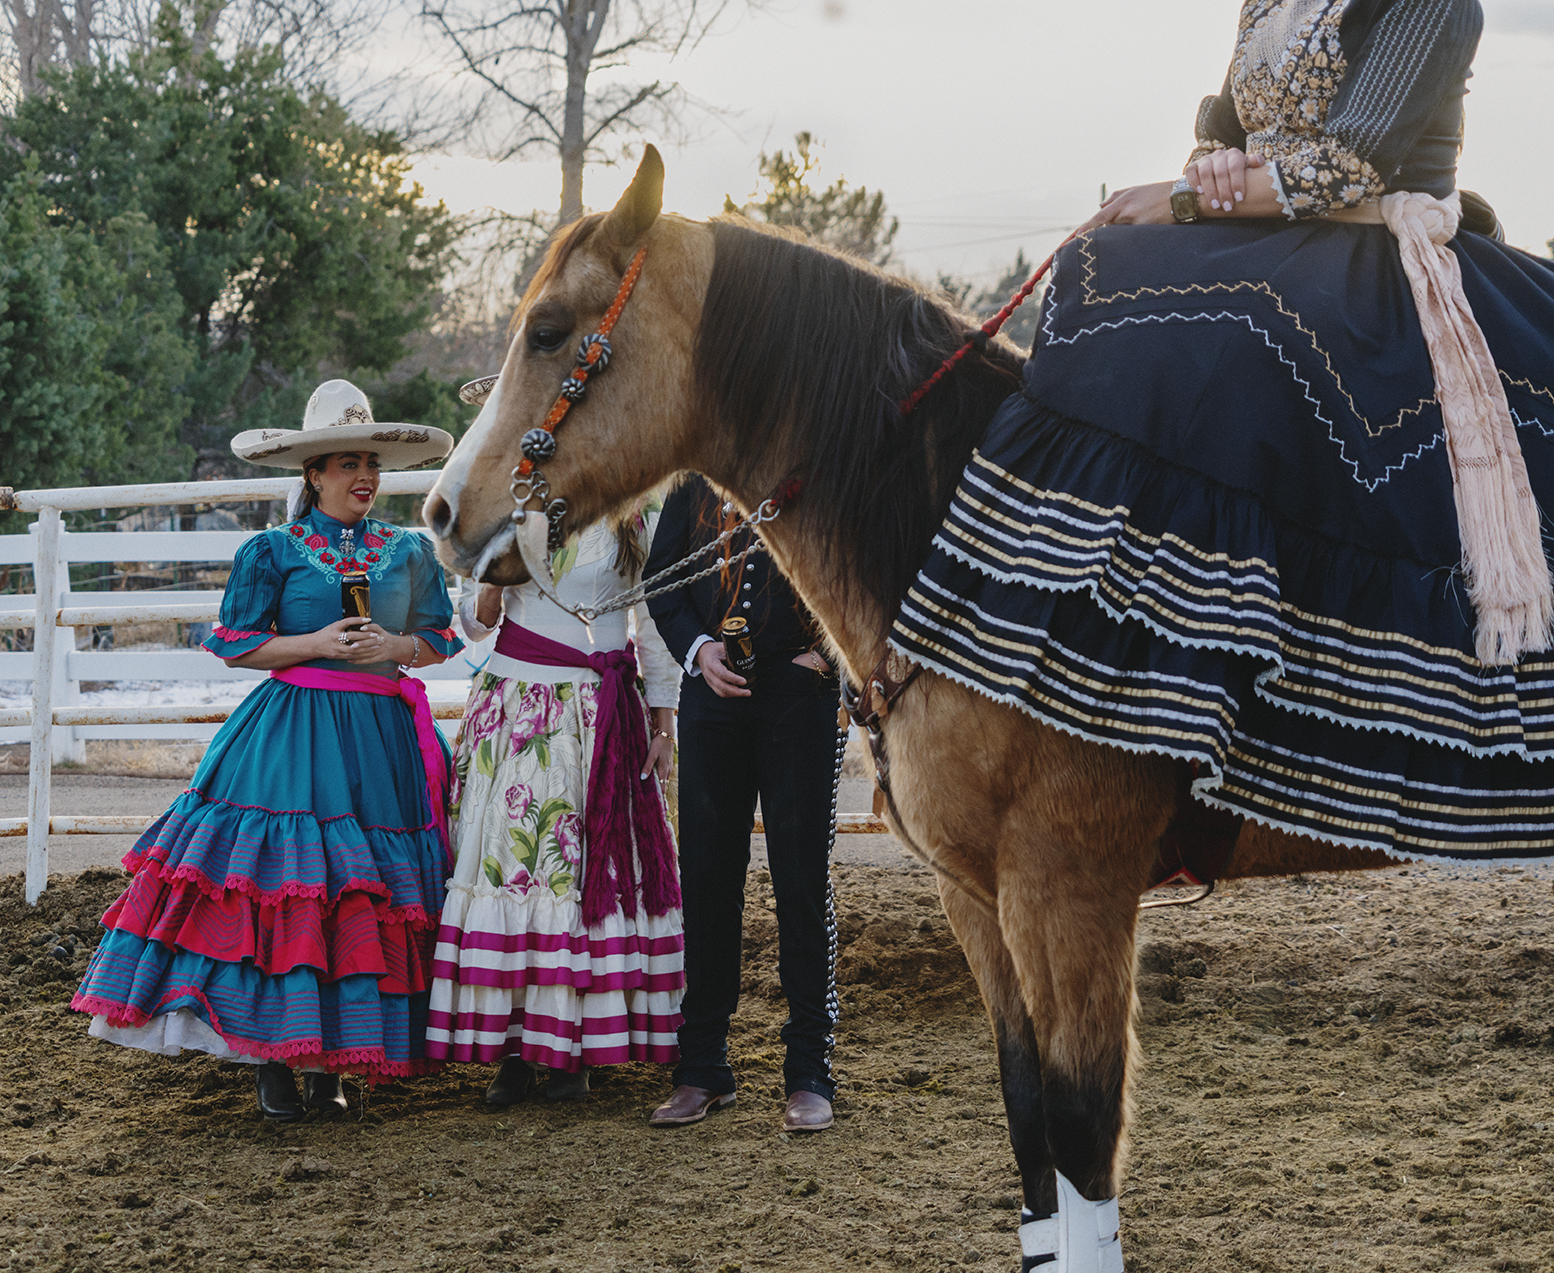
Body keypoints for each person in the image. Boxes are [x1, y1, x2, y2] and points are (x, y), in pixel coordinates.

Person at [892, 5, 1554, 1263]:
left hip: (1373, 254)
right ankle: (1101, 658)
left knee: (1228, 332)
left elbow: (1348, 164)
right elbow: (1232, 122)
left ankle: (1276, 683)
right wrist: (1198, 166)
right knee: (1105, 279)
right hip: (1272, 245)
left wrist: (1193, 197)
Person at [70, 380, 463, 1123]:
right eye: (346, 463)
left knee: (364, 894)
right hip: (294, 733)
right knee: (294, 887)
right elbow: (236, 641)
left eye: (370, 462)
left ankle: (333, 1067)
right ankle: (275, 1061)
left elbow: (441, 637)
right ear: (312, 474)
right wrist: (314, 644)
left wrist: (396, 645)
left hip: (381, 743)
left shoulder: (408, 551)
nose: (364, 477)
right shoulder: (272, 551)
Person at [425, 374, 685, 1105]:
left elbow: (653, 616)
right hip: (517, 708)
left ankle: (570, 1048)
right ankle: (514, 1048)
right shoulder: (502, 502)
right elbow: (472, 625)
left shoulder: (634, 504)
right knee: (515, 868)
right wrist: (480, 587)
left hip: (602, 711)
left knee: (577, 874)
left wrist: (661, 716)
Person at [643, 473, 845, 1133]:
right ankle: (702, 1066)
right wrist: (698, 651)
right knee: (705, 878)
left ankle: (809, 1070)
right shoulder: (693, 478)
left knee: (799, 881)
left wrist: (828, 653)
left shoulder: (819, 462)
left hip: (798, 694)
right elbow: (661, 577)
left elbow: (863, 563)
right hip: (712, 696)